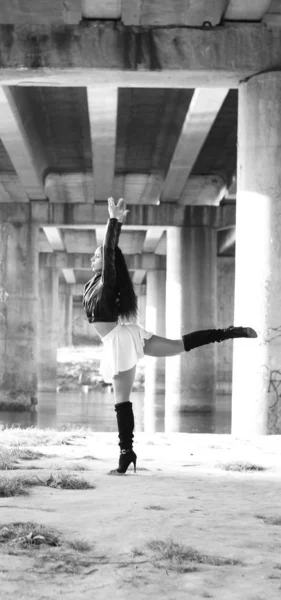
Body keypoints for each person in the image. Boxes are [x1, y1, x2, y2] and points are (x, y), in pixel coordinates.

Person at [82, 197, 257, 475]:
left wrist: (114, 221)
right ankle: (126, 453)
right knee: (176, 348)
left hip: (120, 341)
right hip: (121, 338)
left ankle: (126, 454)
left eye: (97, 255)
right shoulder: (93, 284)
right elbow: (106, 255)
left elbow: (108, 250)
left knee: (122, 400)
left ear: (107, 262)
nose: (93, 258)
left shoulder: (107, 279)